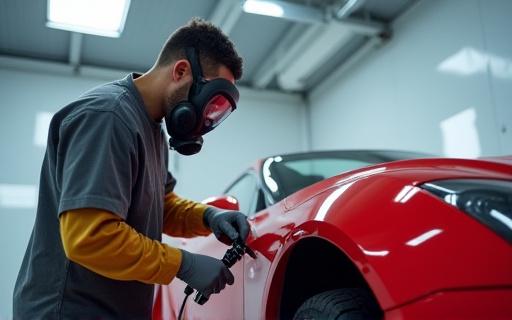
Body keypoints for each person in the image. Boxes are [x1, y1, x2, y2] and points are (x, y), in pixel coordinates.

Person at [13, 17, 249, 319]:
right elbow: (90, 237)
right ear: (180, 71)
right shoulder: (108, 117)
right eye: (210, 102)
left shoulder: (152, 130)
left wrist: (209, 216)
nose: (207, 119)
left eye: (218, 112)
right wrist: (183, 264)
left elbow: (160, 207)